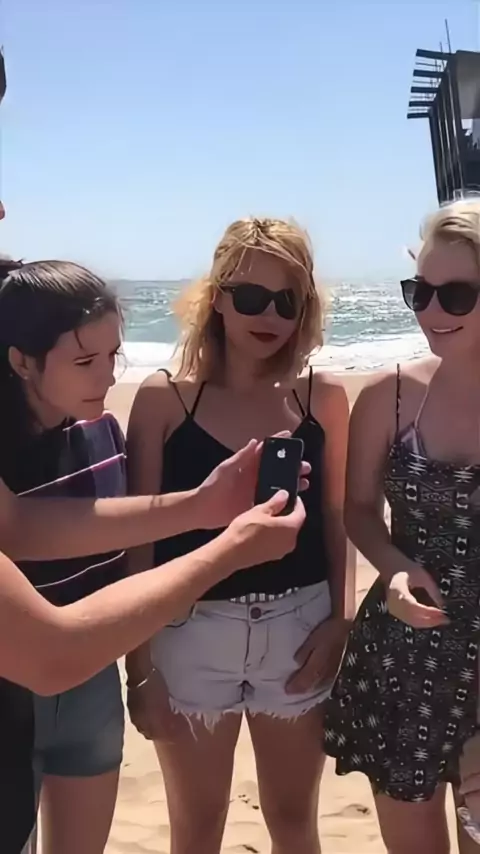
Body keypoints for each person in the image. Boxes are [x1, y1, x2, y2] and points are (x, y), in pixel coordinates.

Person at [0, 258, 308, 854]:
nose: (105, 376)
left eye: (113, 356)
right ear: (21, 360)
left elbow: (21, 525)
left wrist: (201, 506)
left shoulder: (96, 431)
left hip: (91, 673)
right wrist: (227, 549)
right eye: (85, 361)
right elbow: (48, 651)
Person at [126, 217, 354, 854]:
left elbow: (335, 518)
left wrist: (341, 622)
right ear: (217, 297)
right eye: (251, 296)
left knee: (293, 821)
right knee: (196, 829)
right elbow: (140, 542)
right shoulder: (165, 400)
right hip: (188, 631)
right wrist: (138, 668)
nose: (270, 315)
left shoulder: (322, 398)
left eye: (288, 300)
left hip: (300, 629)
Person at [323, 197, 480, 854]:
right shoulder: (388, 393)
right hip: (407, 653)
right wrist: (394, 570)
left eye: (457, 294)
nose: (431, 311)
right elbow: (358, 510)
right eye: (420, 291)